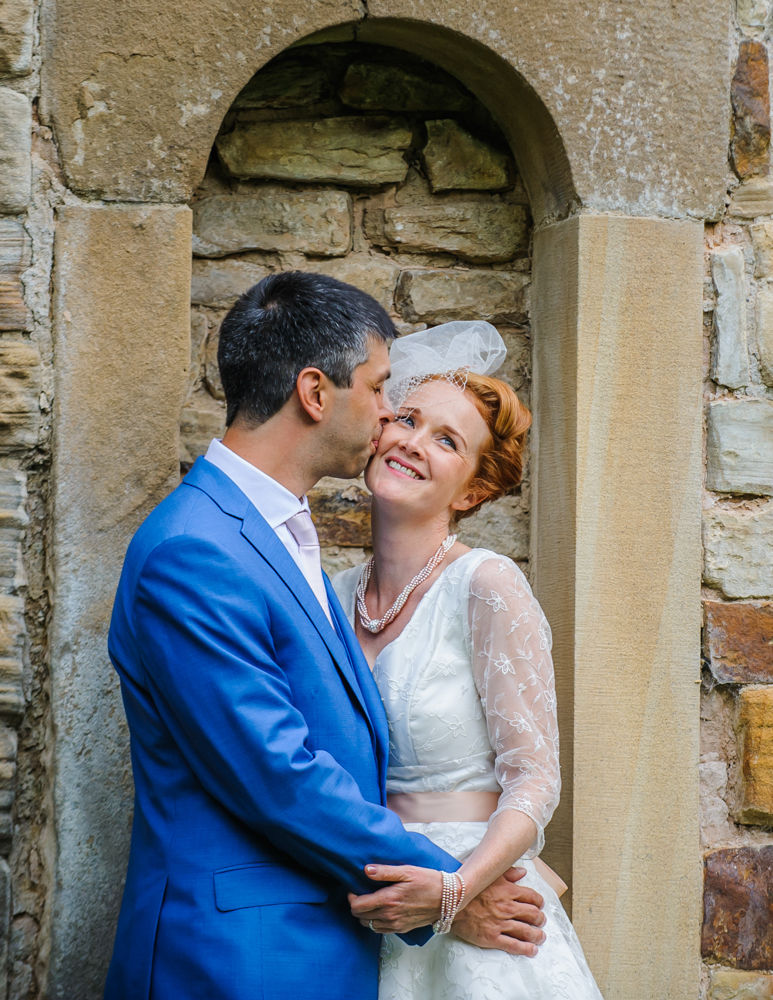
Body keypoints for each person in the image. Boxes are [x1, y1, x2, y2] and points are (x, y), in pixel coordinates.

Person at [103, 275, 547, 1000]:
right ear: (315, 393)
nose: (387, 416)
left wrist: (467, 874)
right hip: (238, 958)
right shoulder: (196, 551)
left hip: (325, 944)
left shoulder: (284, 536)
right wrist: (446, 890)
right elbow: (280, 775)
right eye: (379, 390)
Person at [333, 322, 604, 999]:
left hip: (473, 895)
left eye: (446, 440)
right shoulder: (332, 594)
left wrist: (456, 892)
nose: (412, 443)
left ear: (471, 493)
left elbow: (534, 782)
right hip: (368, 898)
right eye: (407, 419)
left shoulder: (484, 584)